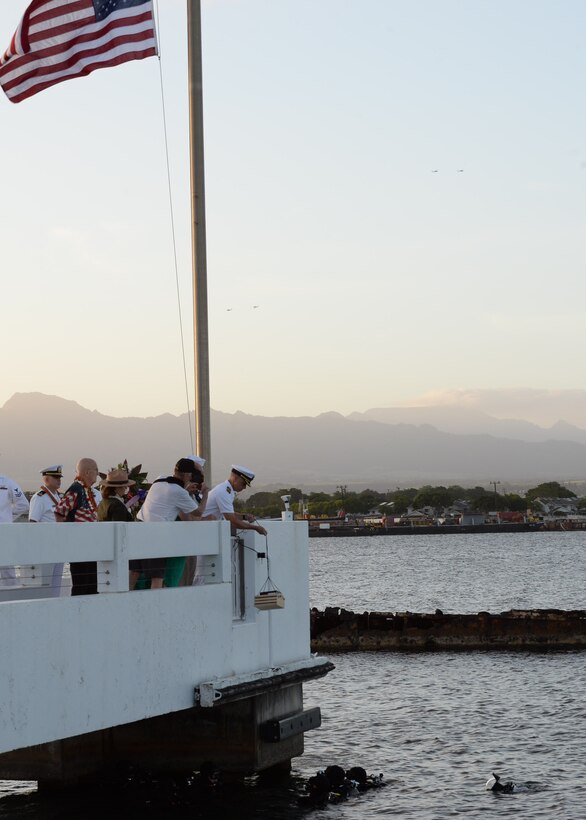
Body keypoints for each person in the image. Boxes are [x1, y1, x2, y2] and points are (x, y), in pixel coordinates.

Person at [136, 458, 205, 590]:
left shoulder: (159, 480)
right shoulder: (179, 492)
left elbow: (166, 497)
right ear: (186, 475)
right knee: (157, 577)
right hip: (157, 535)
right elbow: (198, 513)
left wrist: (186, 490)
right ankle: (157, 606)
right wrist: (205, 493)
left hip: (139, 528)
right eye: (192, 474)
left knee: (135, 573)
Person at [54, 458, 100, 595]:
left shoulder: (87, 490)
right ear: (87, 472)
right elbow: (60, 512)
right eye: (96, 470)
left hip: (89, 545)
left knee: (92, 584)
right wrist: (69, 537)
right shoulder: (76, 489)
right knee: (82, 583)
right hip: (79, 545)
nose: (97, 474)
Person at [97, 467, 137, 588]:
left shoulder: (103, 502)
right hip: (117, 551)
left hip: (105, 547)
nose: (126, 489)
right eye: (124, 486)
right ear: (116, 488)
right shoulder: (117, 505)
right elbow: (120, 531)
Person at [28, 464, 65, 596]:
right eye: (55, 477)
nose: (59, 480)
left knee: (56, 583)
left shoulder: (59, 497)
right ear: (46, 479)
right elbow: (33, 523)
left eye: (59, 477)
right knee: (44, 583)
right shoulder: (40, 498)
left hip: (59, 546)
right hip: (45, 547)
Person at [204, 465, 267, 537]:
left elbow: (229, 513)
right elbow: (232, 521)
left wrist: (244, 517)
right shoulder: (223, 492)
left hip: (209, 528)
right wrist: (256, 528)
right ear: (235, 478)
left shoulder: (228, 490)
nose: (244, 487)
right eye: (243, 483)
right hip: (205, 529)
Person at [0, 469, 30, 587]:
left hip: (5, 532)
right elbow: (23, 504)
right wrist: (7, 517)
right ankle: (11, 599)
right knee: (7, 569)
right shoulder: (7, 482)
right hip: (5, 531)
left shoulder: (7, 482)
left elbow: (23, 504)